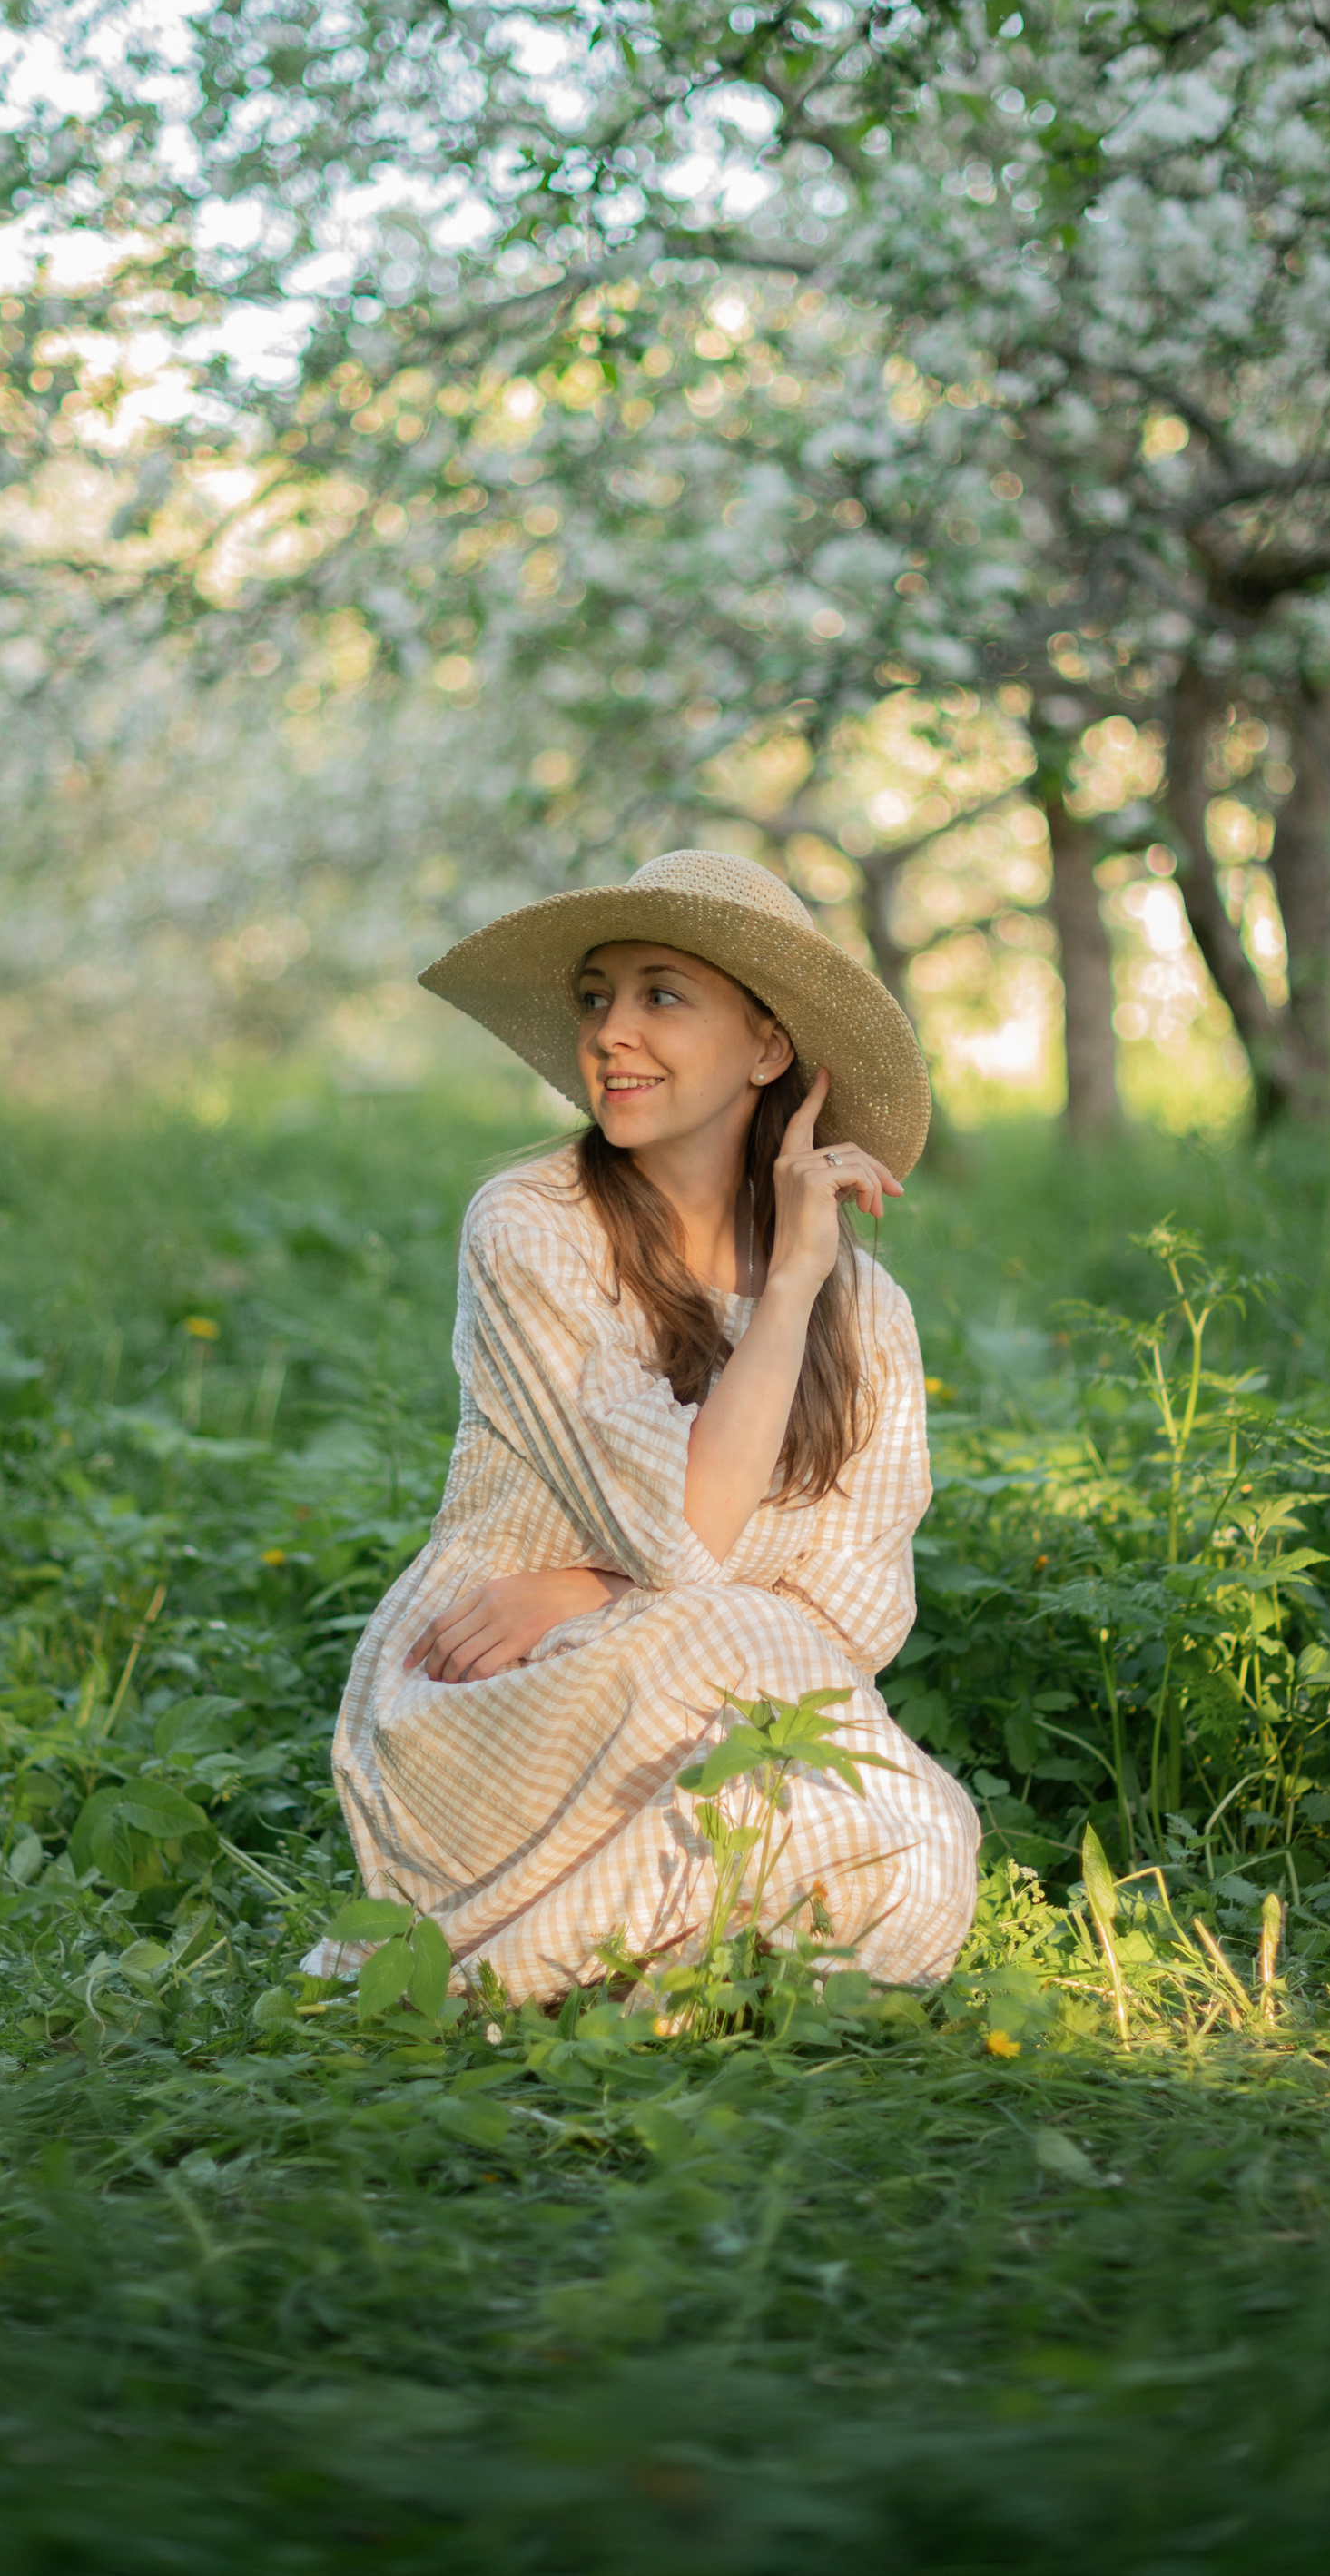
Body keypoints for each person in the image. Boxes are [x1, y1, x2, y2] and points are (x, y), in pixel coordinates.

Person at [319, 848, 980, 2002]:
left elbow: (855, 1611)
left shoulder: (867, 1308)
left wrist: (598, 1586)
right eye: (596, 997)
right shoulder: (533, 1226)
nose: (610, 1033)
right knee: (765, 1669)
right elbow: (683, 1531)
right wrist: (786, 1294)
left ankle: (634, 1964)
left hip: (724, 1705)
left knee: (914, 1847)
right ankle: (560, 1965)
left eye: (660, 994)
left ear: (767, 1048)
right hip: (494, 1686)